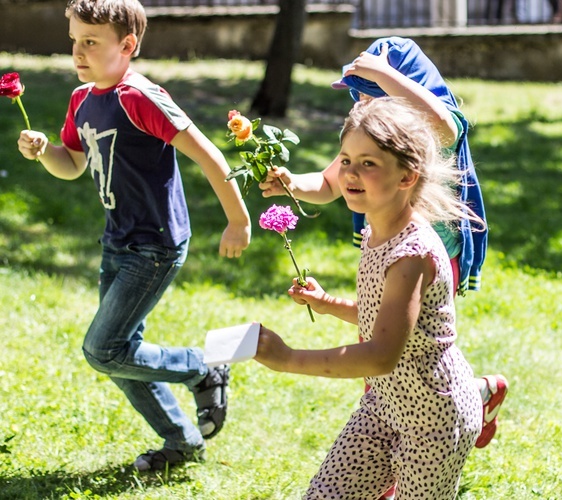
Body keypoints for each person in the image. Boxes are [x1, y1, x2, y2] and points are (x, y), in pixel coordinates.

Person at [16, 0, 251, 472]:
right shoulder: (82, 98)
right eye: (75, 41)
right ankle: (182, 443)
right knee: (120, 354)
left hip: (156, 244)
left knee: (104, 350)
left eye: (91, 42)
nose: (78, 52)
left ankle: (202, 368)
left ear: (127, 46)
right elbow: (73, 164)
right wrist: (44, 151)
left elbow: (205, 153)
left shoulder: (139, 97)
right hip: (116, 239)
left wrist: (238, 220)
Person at [258, 36, 508, 452]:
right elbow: (326, 182)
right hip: (383, 248)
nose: (363, 106)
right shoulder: (367, 149)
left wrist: (383, 74)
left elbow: (442, 128)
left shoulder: (430, 134)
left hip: (432, 254)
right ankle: (476, 394)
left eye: (372, 96)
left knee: (398, 354)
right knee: (405, 350)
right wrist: (291, 183)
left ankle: (398, 445)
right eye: (359, 97)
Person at [255, 97, 484, 499]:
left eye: (368, 163)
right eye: (345, 160)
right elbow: (385, 317)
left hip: (434, 421)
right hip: (385, 407)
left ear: (407, 177)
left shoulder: (410, 255)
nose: (350, 173)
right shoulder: (375, 232)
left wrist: (289, 358)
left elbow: (382, 354)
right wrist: (328, 304)